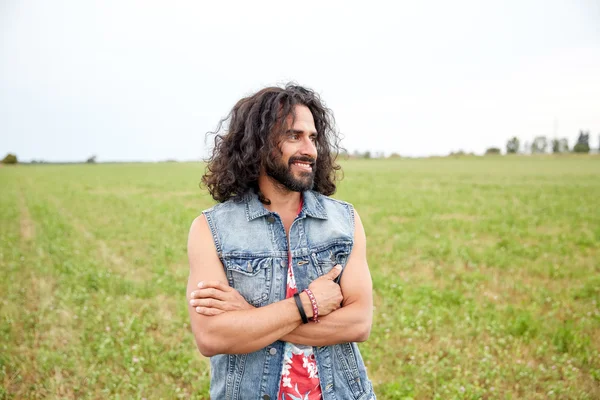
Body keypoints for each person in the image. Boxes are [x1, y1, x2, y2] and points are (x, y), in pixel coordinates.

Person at [186, 84, 376, 400]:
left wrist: (249, 316)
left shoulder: (343, 221)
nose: (310, 149)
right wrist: (307, 305)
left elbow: (358, 323)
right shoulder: (211, 229)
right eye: (293, 136)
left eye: (313, 137)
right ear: (257, 144)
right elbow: (212, 335)